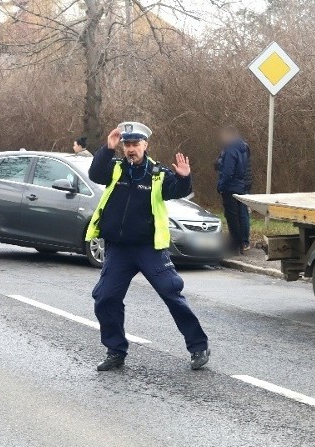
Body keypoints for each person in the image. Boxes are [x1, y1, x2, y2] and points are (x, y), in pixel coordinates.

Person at [86, 122, 210, 372]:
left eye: (135, 144)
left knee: (170, 292)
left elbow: (176, 190)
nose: (131, 149)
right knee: (105, 297)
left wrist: (185, 178)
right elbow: (95, 174)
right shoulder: (115, 168)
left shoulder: (157, 173)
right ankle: (115, 351)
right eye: (127, 145)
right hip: (119, 249)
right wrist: (107, 148)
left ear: (145, 145)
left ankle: (198, 346)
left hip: (148, 248)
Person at [216, 126, 249, 254]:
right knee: (240, 216)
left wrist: (221, 186)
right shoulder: (243, 148)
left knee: (232, 217)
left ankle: (234, 245)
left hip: (230, 187)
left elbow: (228, 171)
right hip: (240, 185)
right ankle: (241, 243)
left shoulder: (230, 150)